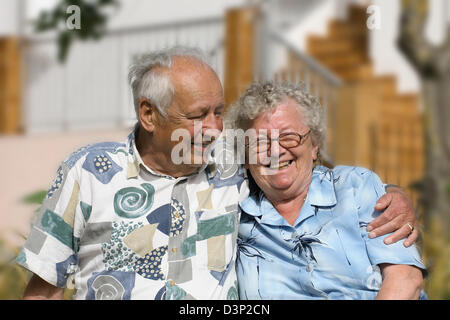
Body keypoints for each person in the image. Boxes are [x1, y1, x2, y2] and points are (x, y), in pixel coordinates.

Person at [17, 46, 419, 300]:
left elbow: (297, 165)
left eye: (218, 111)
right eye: (197, 116)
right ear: (148, 114)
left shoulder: (231, 164)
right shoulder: (88, 171)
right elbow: (46, 286)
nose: (214, 128)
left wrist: (396, 195)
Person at [225, 81, 427, 300]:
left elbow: (405, 280)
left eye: (289, 137)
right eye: (260, 142)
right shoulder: (235, 217)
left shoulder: (355, 188)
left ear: (314, 145)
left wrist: (396, 192)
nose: (275, 151)